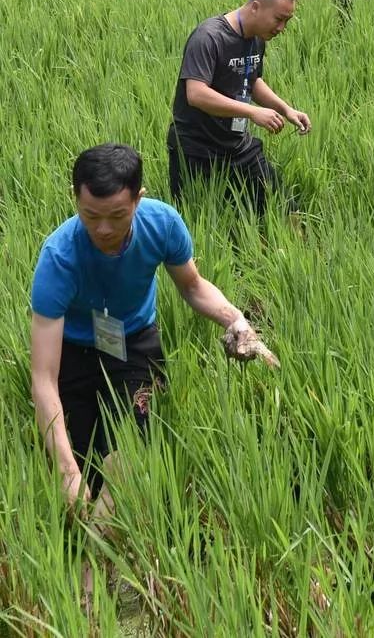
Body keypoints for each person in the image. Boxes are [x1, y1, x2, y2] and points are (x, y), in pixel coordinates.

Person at [30, 143, 277, 506]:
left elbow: (193, 286)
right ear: (75, 199)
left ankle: (98, 556)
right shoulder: (58, 259)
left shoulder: (161, 224)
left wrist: (238, 322)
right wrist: (68, 471)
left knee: (128, 451)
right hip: (75, 351)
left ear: (138, 199)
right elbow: (43, 376)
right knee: (82, 463)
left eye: (117, 215)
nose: (102, 229)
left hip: (134, 344)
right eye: (90, 214)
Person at [167, 0, 312, 215]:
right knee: (199, 218)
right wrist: (252, 112)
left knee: (283, 207)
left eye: (287, 21)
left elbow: (252, 81)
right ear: (256, 6)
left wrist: (286, 110)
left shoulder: (257, 39)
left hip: (237, 145)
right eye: (278, 19)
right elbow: (196, 93)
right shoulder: (208, 37)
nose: (281, 28)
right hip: (196, 149)